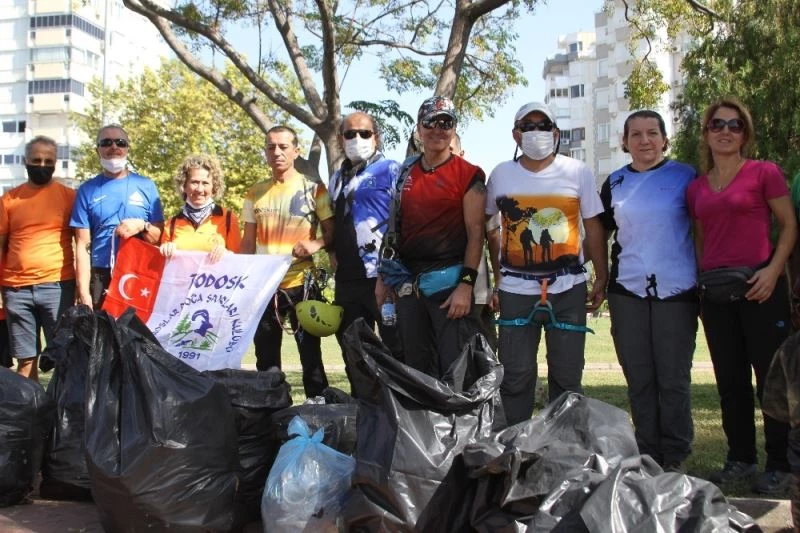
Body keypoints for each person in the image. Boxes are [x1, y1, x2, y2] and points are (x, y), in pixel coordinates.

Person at [687, 97, 797, 495]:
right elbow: (701, 239)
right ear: (706, 133)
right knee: (730, 381)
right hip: (717, 294)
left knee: (771, 380)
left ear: (745, 134)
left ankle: (780, 465)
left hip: (761, 287)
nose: (726, 131)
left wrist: (773, 271)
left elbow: (789, 226)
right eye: (718, 124)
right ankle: (740, 459)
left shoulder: (764, 173)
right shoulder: (696, 188)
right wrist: (702, 283)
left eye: (735, 125)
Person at [485, 101, 608, 425]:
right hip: (515, 290)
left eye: (543, 126)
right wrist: (497, 279)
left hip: (568, 288)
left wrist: (601, 275)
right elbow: (488, 226)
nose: (536, 132)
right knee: (515, 376)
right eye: (528, 127)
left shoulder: (577, 171)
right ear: (516, 135)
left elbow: (593, 226)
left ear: (555, 133)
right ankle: (513, 444)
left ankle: (565, 445)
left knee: (568, 378)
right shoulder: (501, 174)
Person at [599, 110, 698, 472]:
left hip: (677, 290)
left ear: (665, 139)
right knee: (639, 376)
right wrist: (599, 276)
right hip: (627, 290)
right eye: (636, 134)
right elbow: (599, 232)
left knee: (673, 378)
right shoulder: (614, 182)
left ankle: (675, 454)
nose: (645, 141)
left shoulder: (687, 176)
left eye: (652, 133)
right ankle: (647, 452)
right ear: (624, 142)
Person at [376, 95, 486, 378]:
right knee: (415, 367)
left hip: (449, 285)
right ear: (419, 128)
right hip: (408, 284)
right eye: (430, 123)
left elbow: (476, 234)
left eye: (446, 123)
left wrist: (466, 286)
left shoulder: (469, 174)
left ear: (454, 129)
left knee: (455, 368)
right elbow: (393, 228)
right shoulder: (405, 172)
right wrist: (383, 278)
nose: (438, 130)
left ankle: (457, 410)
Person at [242, 125, 334, 398]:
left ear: (296, 151)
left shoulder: (314, 188)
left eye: (283, 147)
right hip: (265, 287)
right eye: (271, 147)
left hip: (302, 285)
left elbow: (333, 233)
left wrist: (315, 244)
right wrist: (241, 281)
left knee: (310, 356)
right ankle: (272, 411)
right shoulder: (254, 192)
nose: (277, 152)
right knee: (266, 358)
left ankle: (318, 409)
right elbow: (247, 243)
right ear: (265, 152)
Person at [328, 112, 402, 371]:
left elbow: (403, 220)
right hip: (347, 278)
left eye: (364, 133)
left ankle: (400, 397)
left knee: (396, 347)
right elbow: (333, 222)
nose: (357, 138)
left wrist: (393, 272)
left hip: (384, 276)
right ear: (340, 139)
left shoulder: (392, 169)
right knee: (353, 350)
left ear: (376, 137)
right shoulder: (336, 179)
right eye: (350, 134)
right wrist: (330, 252)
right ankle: (362, 396)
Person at [0, 136, 76, 380]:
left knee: (64, 357)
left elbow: (83, 241)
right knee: (25, 360)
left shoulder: (69, 197)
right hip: (16, 290)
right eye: (36, 160)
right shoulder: (9, 200)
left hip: (58, 286)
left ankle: (60, 404)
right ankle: (29, 404)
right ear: (25, 161)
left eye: (48, 161)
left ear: (55, 163)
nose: (42, 165)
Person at [70, 124, 164, 309]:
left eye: (120, 142)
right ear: (97, 150)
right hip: (101, 274)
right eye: (106, 142)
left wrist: (143, 226)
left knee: (136, 329)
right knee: (100, 328)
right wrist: (84, 292)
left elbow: (158, 237)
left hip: (138, 273)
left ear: (127, 148)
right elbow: (82, 245)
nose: (114, 147)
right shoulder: (87, 190)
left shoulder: (146, 186)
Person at [449, 133, 499, 351]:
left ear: (461, 154)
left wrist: (499, 285)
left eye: (451, 150)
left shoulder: (476, 187)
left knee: (482, 356)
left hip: (476, 294)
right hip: (436, 291)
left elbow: (494, 238)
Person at [160, 154, 241, 261]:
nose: (199, 189)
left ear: (214, 187)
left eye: (205, 183)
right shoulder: (171, 224)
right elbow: (164, 264)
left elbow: (239, 261)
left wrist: (227, 254)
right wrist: (166, 249)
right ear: (184, 185)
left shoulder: (228, 219)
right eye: (194, 182)